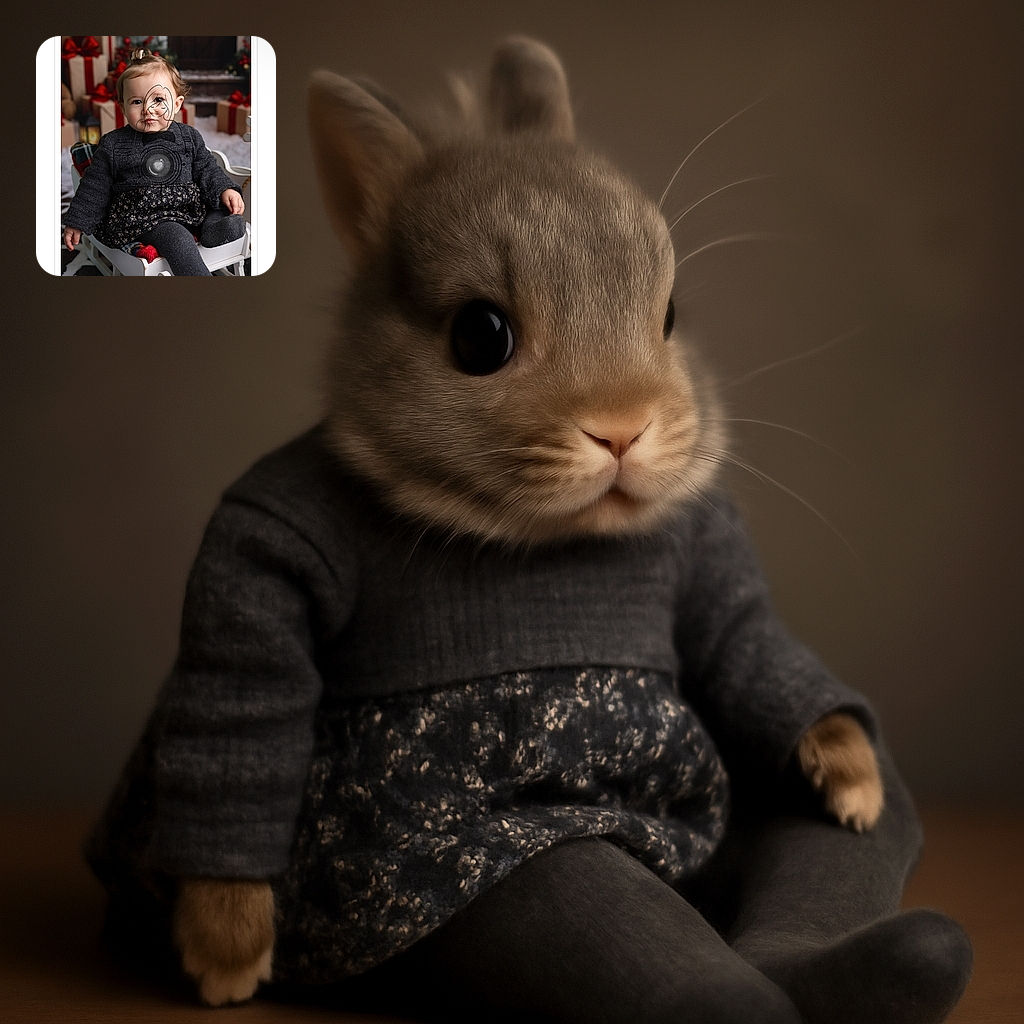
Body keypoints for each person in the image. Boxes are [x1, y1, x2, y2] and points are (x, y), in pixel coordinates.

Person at [62, 49, 246, 276]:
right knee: (177, 238)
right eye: (137, 101)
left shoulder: (189, 136)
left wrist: (225, 188)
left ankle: (214, 230)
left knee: (216, 204)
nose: (148, 109)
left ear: (177, 103)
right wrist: (78, 221)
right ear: (122, 107)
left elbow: (207, 168)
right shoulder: (113, 144)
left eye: (158, 100)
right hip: (148, 217)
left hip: (189, 207)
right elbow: (95, 185)